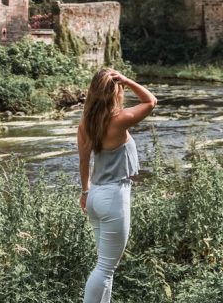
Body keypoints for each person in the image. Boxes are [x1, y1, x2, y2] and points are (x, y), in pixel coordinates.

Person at [78, 67, 157, 303]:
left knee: (106, 265)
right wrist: (128, 80)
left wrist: (85, 192)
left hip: (95, 195)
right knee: (105, 267)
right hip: (114, 196)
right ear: (116, 90)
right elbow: (151, 101)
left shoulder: (85, 124)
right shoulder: (119, 120)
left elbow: (84, 162)